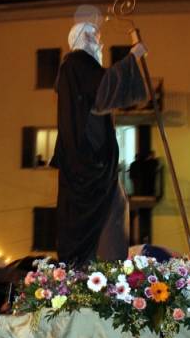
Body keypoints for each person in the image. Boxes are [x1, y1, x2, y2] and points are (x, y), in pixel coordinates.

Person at [51, 17, 147, 265]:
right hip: (89, 167)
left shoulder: (77, 69)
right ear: (81, 38)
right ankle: (105, 275)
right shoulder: (76, 63)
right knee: (111, 211)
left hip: (93, 166)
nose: (100, 41)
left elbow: (100, 89)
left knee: (115, 208)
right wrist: (133, 56)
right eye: (94, 35)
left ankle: (107, 271)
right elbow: (103, 90)